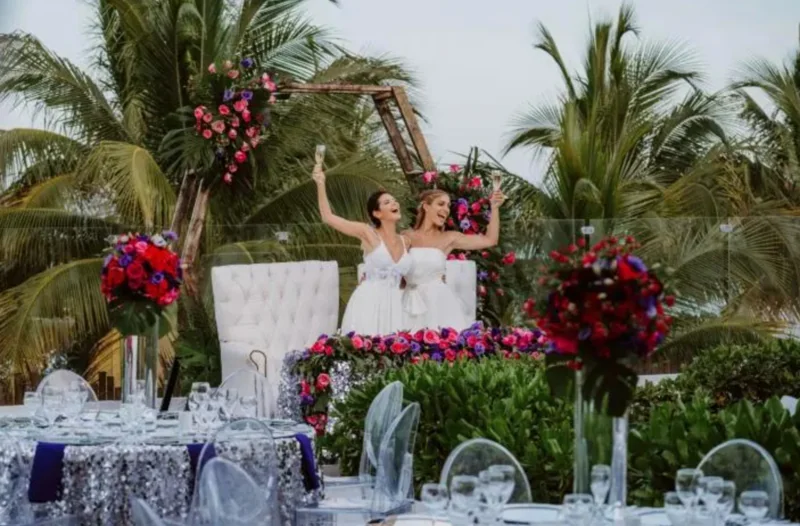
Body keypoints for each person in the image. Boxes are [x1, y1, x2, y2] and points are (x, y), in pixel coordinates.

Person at [313, 166, 411, 335]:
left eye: (394, 201)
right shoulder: (368, 233)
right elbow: (328, 217)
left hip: (397, 305)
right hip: (369, 303)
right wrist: (320, 183)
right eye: (387, 202)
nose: (394, 203)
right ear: (377, 213)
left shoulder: (406, 241)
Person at [402, 188, 505, 331]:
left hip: (439, 304)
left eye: (448, 206)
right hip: (409, 302)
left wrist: (494, 208)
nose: (446, 209)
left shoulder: (449, 238)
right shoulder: (407, 236)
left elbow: (490, 240)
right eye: (441, 204)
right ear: (426, 206)